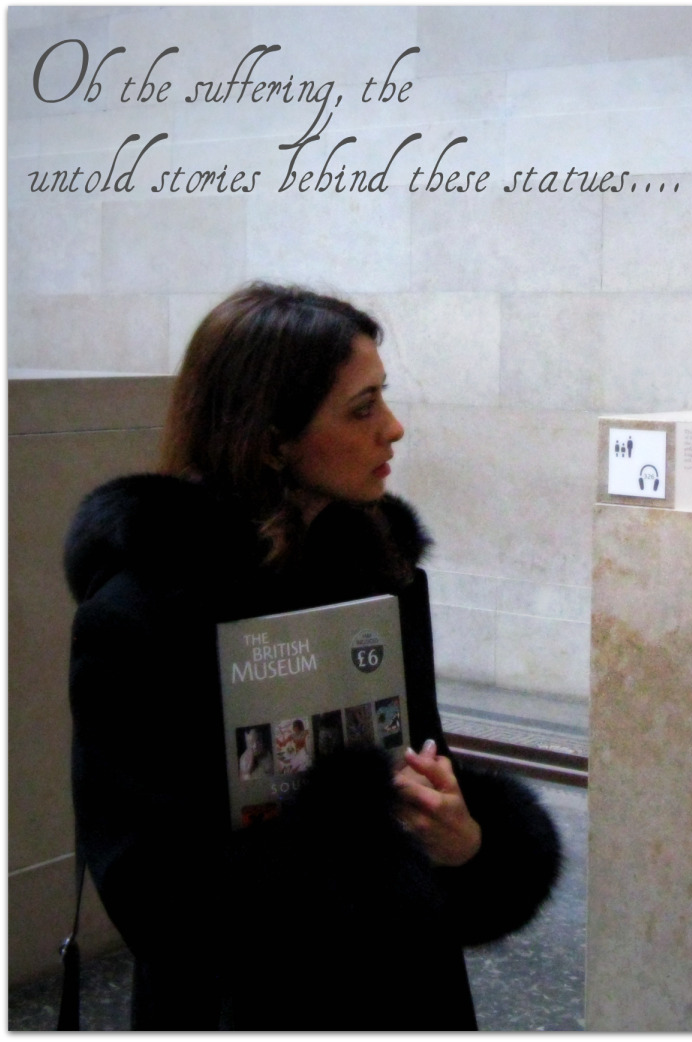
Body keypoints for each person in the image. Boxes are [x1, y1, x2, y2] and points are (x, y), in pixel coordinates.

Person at [64, 283, 562, 1029]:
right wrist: (352, 832)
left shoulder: (380, 579)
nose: (392, 430)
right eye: (361, 410)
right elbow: (154, 896)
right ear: (271, 437)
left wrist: (467, 839)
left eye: (383, 399)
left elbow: (423, 762)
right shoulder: (139, 620)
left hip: (406, 993)